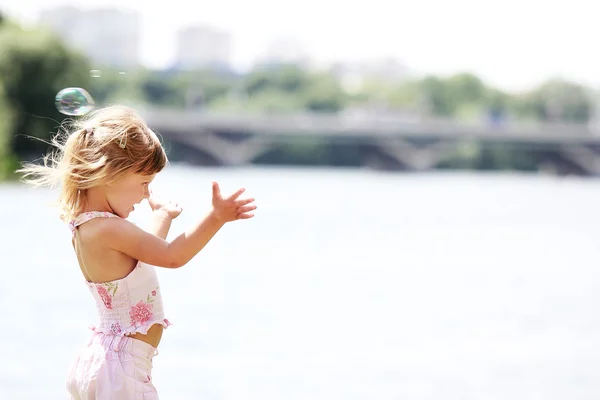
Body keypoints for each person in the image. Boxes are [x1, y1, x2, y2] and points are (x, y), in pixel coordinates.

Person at [18, 105, 256, 399]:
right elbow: (171, 256)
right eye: (144, 183)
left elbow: (143, 257)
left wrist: (163, 217)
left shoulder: (90, 227)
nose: (146, 195)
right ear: (110, 173)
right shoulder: (108, 229)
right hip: (121, 370)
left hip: (106, 361)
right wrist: (216, 217)